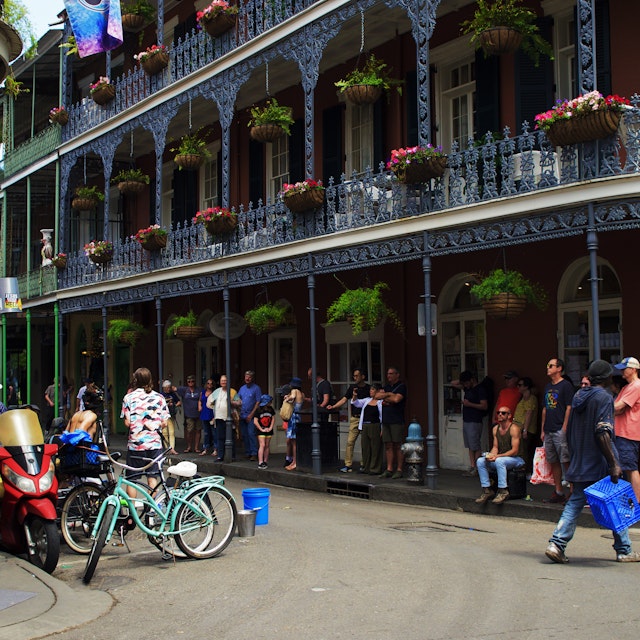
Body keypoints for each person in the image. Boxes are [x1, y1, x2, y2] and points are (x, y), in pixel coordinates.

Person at [545, 359, 640, 564]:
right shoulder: (604, 397)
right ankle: (624, 550)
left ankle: (556, 543)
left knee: (575, 502)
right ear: (605, 378)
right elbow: (603, 431)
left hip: (580, 459)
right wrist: (614, 462)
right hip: (598, 461)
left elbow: (571, 429)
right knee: (616, 503)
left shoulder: (580, 395)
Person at [121, 367, 170, 499]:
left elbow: (127, 422)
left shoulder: (128, 398)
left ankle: (132, 512)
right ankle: (151, 512)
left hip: (135, 445)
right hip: (154, 445)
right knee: (152, 477)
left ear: (135, 380)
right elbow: (164, 422)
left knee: (131, 478)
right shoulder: (159, 398)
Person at [475, 406, 525, 504]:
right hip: (502, 459)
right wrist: (491, 455)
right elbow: (495, 447)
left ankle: (503, 491)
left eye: (503, 413)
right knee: (480, 461)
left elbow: (514, 451)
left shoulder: (514, 429)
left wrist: (497, 457)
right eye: (498, 413)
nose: (500, 415)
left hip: (516, 459)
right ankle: (487, 490)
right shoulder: (495, 429)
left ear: (509, 415)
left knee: (499, 461)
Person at [541, 357, 574, 504]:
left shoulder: (566, 386)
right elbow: (544, 409)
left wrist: (565, 426)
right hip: (548, 429)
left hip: (560, 427)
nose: (548, 368)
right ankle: (559, 490)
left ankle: (572, 491)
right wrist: (543, 429)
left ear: (559, 368)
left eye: (551, 365)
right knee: (553, 460)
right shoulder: (548, 386)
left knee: (565, 460)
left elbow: (569, 407)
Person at [327, 368, 371, 473]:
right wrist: (333, 406)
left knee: (364, 442)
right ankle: (348, 465)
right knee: (350, 441)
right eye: (354, 376)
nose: (354, 378)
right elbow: (344, 399)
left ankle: (364, 464)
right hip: (355, 417)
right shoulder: (352, 387)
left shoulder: (368, 388)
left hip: (365, 418)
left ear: (363, 377)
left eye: (357, 376)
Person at [613, 356, 640, 501]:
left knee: (630, 468)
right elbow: (617, 408)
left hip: (629, 433)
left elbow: (619, 407)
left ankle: (637, 503)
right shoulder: (626, 387)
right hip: (624, 433)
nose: (622, 371)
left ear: (634, 369)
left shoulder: (636, 386)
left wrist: (607, 407)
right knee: (627, 468)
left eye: (625, 368)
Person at [452, 371, 488, 477]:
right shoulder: (467, 388)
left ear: (472, 380)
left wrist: (469, 404)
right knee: (469, 445)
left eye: (467, 382)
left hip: (475, 420)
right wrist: (462, 380)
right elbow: (453, 383)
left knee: (475, 445)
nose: (465, 385)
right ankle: (472, 466)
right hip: (466, 420)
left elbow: (484, 406)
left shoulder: (480, 389)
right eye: (464, 383)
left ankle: (477, 467)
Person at [377, 366, 407, 479]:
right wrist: (389, 395)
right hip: (386, 420)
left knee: (397, 444)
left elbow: (397, 399)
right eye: (388, 374)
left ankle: (399, 469)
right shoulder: (386, 387)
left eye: (391, 373)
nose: (388, 376)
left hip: (396, 420)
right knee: (388, 445)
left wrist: (386, 397)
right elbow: (377, 396)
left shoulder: (401, 386)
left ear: (397, 375)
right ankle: (389, 468)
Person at [350, 383, 383, 475]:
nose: (370, 391)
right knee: (365, 447)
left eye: (372, 390)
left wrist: (382, 429)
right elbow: (356, 403)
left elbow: (382, 416)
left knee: (375, 447)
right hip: (365, 426)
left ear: (377, 391)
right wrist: (354, 396)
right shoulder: (367, 400)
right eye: (370, 389)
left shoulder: (380, 402)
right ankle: (366, 467)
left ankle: (375, 468)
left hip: (375, 425)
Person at [206, 374, 241, 461]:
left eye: (225, 380)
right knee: (220, 437)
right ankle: (220, 456)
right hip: (219, 417)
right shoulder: (217, 391)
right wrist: (214, 406)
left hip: (229, 418)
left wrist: (232, 402)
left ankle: (232, 456)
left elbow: (239, 403)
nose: (223, 382)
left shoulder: (232, 391)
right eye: (222, 381)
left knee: (230, 437)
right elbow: (209, 401)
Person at [512, 377, 539, 472]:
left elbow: (529, 413)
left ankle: (525, 470)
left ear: (526, 387)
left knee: (524, 451)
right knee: (519, 449)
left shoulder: (530, 398)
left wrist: (525, 430)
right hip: (517, 427)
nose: (518, 387)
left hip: (525, 428)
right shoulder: (523, 397)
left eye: (520, 385)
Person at [237, 370, 262, 461]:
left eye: (249, 377)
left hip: (251, 415)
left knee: (251, 433)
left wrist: (251, 414)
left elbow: (258, 402)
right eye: (246, 377)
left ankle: (254, 453)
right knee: (244, 434)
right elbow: (238, 399)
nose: (247, 378)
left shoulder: (256, 388)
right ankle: (247, 452)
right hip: (242, 414)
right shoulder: (242, 388)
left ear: (252, 378)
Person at [283, 377, 305, 471]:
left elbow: (291, 398)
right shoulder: (302, 394)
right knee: (294, 441)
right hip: (298, 417)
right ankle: (294, 461)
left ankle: (295, 462)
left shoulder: (294, 391)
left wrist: (286, 398)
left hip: (294, 417)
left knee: (294, 442)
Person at [177, 375, 202, 453]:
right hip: (188, 414)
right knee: (189, 430)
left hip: (198, 413)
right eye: (189, 381)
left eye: (192, 381)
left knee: (198, 430)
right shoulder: (184, 390)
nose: (191, 383)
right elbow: (173, 389)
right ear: (187, 382)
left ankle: (196, 447)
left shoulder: (199, 390)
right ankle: (189, 446)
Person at [254, 394, 275, 469]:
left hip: (268, 429)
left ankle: (265, 461)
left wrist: (270, 427)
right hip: (261, 430)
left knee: (267, 445)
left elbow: (273, 419)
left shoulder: (271, 409)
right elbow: (255, 421)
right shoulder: (258, 410)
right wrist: (261, 429)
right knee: (262, 445)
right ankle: (260, 461)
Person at [161, 380, 180, 455]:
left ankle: (172, 448)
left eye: (169, 387)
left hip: (171, 415)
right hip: (163, 416)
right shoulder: (161, 395)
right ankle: (167, 448)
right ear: (164, 388)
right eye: (167, 387)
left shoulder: (173, 394)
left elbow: (179, 402)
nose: (168, 389)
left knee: (171, 432)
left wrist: (174, 405)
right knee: (164, 433)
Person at [199, 378, 216, 456]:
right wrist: (199, 406)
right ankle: (205, 448)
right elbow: (200, 400)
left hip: (211, 414)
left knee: (213, 432)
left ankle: (215, 449)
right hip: (204, 413)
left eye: (211, 384)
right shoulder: (202, 392)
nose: (209, 385)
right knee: (206, 433)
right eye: (208, 383)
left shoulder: (214, 393)